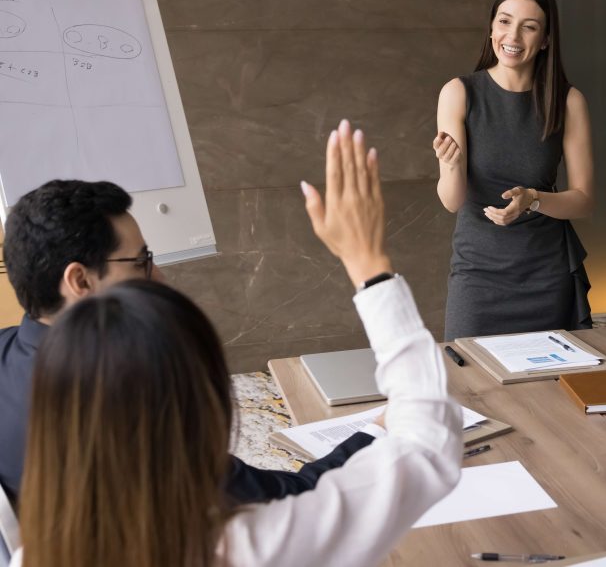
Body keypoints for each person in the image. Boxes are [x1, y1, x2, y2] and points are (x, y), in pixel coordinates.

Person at [12, 119, 462, 567]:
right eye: (142, 261)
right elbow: (425, 443)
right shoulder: (250, 545)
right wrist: (368, 263)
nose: (160, 277)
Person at [0, 177, 374, 506]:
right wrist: (379, 431)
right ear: (80, 281)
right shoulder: (124, 408)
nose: (160, 277)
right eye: (141, 262)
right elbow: (284, 501)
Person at [434, 0, 595, 340]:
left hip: (547, 275)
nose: (513, 36)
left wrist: (533, 199)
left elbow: (584, 200)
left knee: (554, 375)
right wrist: (453, 165)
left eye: (529, 27)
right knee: (468, 373)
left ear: (546, 39)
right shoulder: (459, 93)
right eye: (505, 21)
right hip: (478, 276)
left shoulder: (568, 102)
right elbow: (452, 201)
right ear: (492, 28)